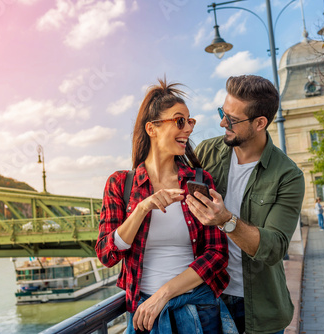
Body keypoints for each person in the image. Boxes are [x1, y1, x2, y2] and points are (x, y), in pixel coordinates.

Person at [95, 79, 234, 333]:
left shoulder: (199, 181)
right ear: (152, 128)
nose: (189, 129)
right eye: (180, 121)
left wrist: (162, 295)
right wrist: (141, 209)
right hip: (144, 318)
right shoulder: (120, 184)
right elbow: (107, 254)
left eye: (190, 121)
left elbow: (217, 254)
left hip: (197, 310)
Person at [186, 75, 305, 334]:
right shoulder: (206, 152)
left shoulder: (288, 175)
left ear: (260, 122)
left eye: (231, 119)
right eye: (222, 112)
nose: (221, 123)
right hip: (206, 296)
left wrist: (226, 221)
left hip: (260, 309)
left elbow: (275, 248)